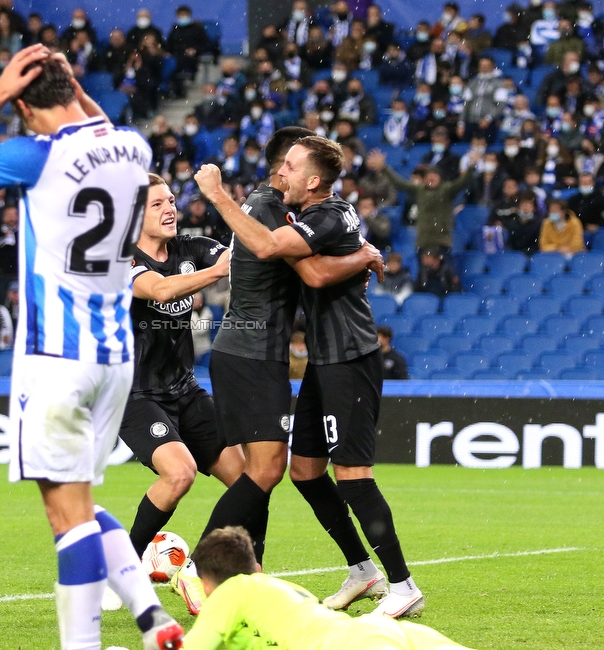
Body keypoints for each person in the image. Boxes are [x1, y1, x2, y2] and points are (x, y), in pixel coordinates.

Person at [0, 45, 184, 650]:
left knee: (64, 518)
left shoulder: (35, 155)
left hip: (55, 358)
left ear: (24, 105)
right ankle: (151, 619)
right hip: (116, 357)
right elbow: (99, 124)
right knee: (84, 505)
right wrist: (65, 84)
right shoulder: (135, 149)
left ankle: (82, 647)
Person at [195, 136, 422, 619]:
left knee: (354, 477)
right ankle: (363, 571)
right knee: (304, 472)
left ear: (313, 180)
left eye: (290, 167)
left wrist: (217, 196)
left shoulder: (322, 217)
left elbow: (306, 270)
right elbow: (314, 260)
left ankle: (403, 586)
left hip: (351, 358)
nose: (281, 174)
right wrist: (363, 254)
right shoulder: (314, 214)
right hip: (325, 359)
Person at [121, 172, 243, 570]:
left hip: (185, 388)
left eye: (171, 201)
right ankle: (121, 567)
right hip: (137, 394)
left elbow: (236, 255)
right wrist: (212, 275)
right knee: (180, 474)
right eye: (157, 204)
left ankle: (208, 568)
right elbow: (159, 290)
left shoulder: (190, 246)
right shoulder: (121, 259)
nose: (169, 209)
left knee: (248, 483)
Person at [182, 527, 469, 650]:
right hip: (380, 632)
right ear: (257, 568)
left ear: (207, 585)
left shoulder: (231, 591)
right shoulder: (285, 590)